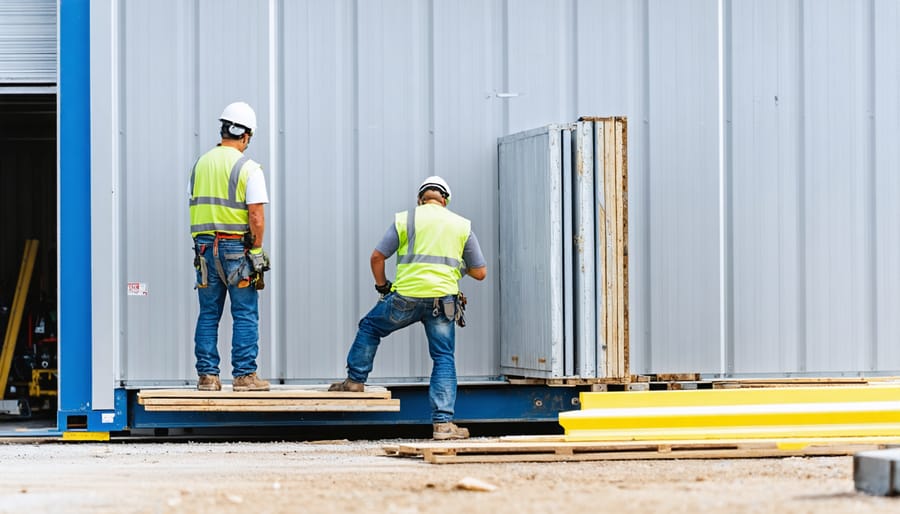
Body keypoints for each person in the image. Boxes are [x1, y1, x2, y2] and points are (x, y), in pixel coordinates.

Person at [330, 176, 487, 440]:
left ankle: (355, 382)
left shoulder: (406, 219)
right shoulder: (461, 225)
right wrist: (455, 271)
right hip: (443, 302)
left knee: (370, 327)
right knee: (443, 358)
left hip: (405, 298)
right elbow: (480, 272)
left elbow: (377, 257)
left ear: (420, 199)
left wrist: (382, 287)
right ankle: (443, 425)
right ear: (445, 200)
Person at [189, 101, 271, 392]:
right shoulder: (248, 168)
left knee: (209, 313)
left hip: (204, 249)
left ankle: (208, 377)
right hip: (236, 248)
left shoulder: (200, 164)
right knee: (245, 312)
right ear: (246, 135)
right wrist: (257, 251)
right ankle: (245, 376)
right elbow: (256, 216)